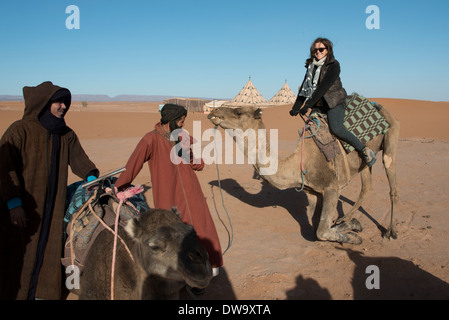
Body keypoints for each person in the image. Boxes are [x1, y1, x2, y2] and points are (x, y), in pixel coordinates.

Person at [0, 81, 99, 299]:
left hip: (53, 211)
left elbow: (80, 161)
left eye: (66, 102)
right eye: (58, 102)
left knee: (48, 257)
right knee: (17, 259)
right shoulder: (20, 130)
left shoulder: (66, 134)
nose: (63, 106)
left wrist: (91, 178)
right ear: (44, 103)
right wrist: (14, 203)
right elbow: (4, 168)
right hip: (22, 210)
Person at [114, 103, 223, 276]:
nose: (182, 124)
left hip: (191, 190)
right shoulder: (151, 139)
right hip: (168, 193)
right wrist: (119, 186)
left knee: (202, 226)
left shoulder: (181, 137)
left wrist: (196, 156)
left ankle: (211, 265)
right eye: (180, 121)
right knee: (173, 234)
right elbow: (133, 164)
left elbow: (195, 163)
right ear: (171, 121)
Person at [290, 37, 376, 167]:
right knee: (309, 130)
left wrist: (307, 105)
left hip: (334, 103)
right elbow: (304, 88)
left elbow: (323, 88)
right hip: (319, 106)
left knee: (336, 128)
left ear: (328, 50)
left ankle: (365, 150)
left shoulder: (334, 66)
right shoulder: (311, 68)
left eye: (321, 49)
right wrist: (296, 107)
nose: (318, 52)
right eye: (315, 50)